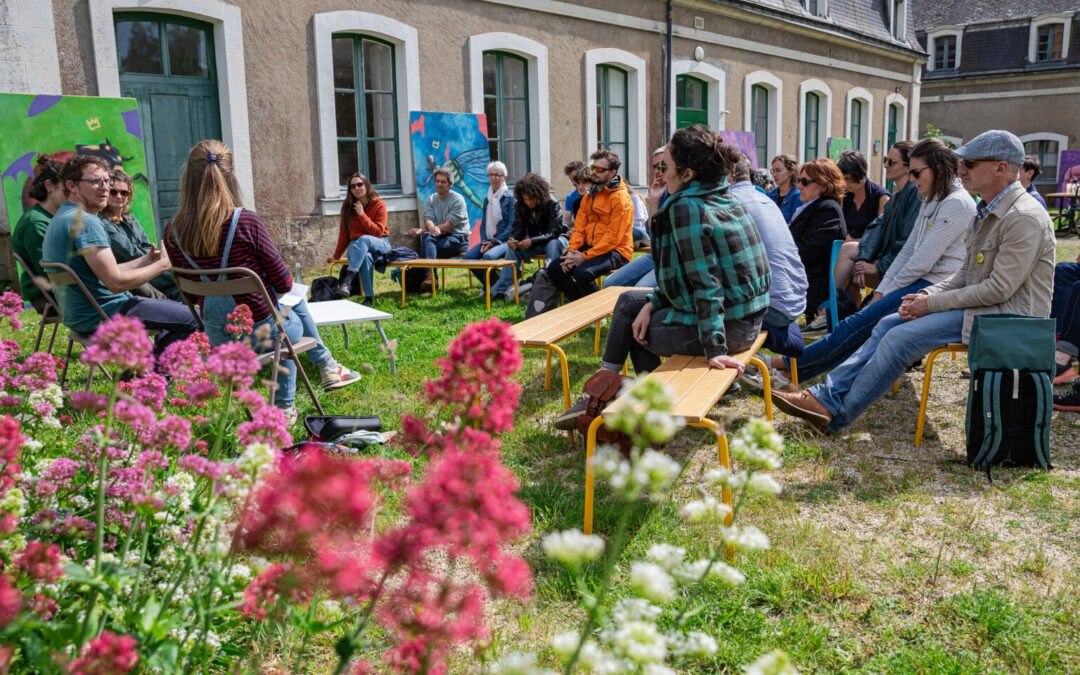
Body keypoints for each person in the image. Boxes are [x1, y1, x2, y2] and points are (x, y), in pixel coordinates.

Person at [773, 130, 1055, 433]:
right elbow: (963, 274)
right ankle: (824, 399)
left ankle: (830, 410)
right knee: (884, 325)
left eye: (970, 164)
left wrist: (929, 301)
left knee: (899, 337)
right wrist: (924, 297)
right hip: (982, 308)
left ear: (1001, 168)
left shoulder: (1021, 216)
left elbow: (999, 289)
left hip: (1004, 319)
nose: (961, 170)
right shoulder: (986, 209)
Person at [555, 127, 770, 429]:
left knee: (633, 327)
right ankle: (616, 389)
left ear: (687, 173)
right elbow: (680, 273)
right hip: (746, 318)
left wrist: (715, 349)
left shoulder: (688, 207)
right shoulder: (720, 195)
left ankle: (611, 399)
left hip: (729, 327)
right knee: (630, 301)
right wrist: (654, 302)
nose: (658, 172)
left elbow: (707, 284)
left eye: (663, 166)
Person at [164, 140, 360, 421]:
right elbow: (282, 283)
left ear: (188, 179)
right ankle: (293, 398)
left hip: (219, 337)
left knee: (287, 308)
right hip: (263, 333)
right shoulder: (246, 222)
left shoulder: (173, 231)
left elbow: (193, 297)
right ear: (230, 177)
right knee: (290, 303)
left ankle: (327, 365)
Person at [761, 138, 976, 386]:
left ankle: (786, 366)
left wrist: (885, 293)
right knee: (858, 326)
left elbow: (921, 261)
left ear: (937, 168)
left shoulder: (956, 203)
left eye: (917, 172)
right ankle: (792, 372)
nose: (913, 179)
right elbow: (908, 252)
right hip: (919, 281)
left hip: (931, 286)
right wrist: (882, 291)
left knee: (858, 326)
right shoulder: (933, 199)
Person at [41, 155, 197, 356]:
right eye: (96, 181)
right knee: (194, 317)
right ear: (72, 186)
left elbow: (102, 273)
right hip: (105, 314)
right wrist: (163, 265)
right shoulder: (87, 222)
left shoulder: (63, 216)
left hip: (81, 316)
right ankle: (155, 377)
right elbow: (115, 282)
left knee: (171, 311)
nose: (104, 187)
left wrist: (145, 260)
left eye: (106, 180)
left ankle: (139, 368)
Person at [728, 157, 808, 368]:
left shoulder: (731, 203)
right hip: (794, 301)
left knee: (698, 310)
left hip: (774, 308)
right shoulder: (764, 199)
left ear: (727, 176)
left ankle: (727, 375)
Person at [540, 149, 633, 307]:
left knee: (582, 273)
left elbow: (613, 238)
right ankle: (583, 307)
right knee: (555, 268)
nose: (594, 173)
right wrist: (572, 250)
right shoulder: (590, 195)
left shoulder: (621, 199)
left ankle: (598, 308)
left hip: (617, 250)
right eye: (593, 167)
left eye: (600, 169)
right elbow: (579, 228)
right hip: (590, 246)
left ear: (612, 173)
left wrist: (584, 257)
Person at [833, 141, 919, 305]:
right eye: (886, 159)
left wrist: (878, 266)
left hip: (900, 267)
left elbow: (908, 240)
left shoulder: (912, 195)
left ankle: (834, 310)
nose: (885, 165)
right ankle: (836, 309)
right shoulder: (896, 197)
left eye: (891, 162)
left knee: (848, 256)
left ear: (908, 167)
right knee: (847, 251)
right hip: (884, 257)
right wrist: (862, 258)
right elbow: (876, 229)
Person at [99, 168, 181, 302]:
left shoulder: (130, 219)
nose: (119, 196)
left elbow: (147, 246)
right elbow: (130, 253)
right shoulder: (103, 223)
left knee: (179, 286)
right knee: (179, 281)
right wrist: (161, 261)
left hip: (148, 267)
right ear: (106, 193)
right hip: (131, 273)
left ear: (128, 196)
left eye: (124, 192)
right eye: (113, 192)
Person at [489, 172, 566, 301]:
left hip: (556, 240)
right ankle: (501, 291)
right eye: (525, 199)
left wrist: (532, 241)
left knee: (553, 244)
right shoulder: (520, 205)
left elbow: (555, 231)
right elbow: (518, 227)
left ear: (539, 194)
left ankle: (550, 285)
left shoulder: (552, 203)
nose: (528, 202)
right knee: (512, 250)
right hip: (535, 242)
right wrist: (514, 239)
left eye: (531, 199)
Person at [789, 158, 846, 326]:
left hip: (811, 283)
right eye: (798, 180)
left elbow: (807, 251)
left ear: (823, 184)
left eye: (804, 181)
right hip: (803, 277)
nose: (799, 186)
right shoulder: (814, 207)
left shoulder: (828, 210)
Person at [605, 147, 669, 289]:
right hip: (655, 254)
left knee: (641, 289)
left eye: (662, 165)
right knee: (609, 283)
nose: (658, 171)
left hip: (672, 258)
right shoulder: (660, 191)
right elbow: (652, 231)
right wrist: (654, 201)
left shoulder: (680, 193)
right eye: (655, 167)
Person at [12, 155, 65, 315]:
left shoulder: (57, 216)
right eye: (68, 189)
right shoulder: (36, 223)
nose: (75, 193)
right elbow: (53, 273)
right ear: (50, 186)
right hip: (49, 298)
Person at [330, 172, 389, 304]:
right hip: (356, 246)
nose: (356, 188)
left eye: (359, 184)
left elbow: (378, 232)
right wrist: (336, 255)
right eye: (353, 186)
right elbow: (344, 234)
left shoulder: (379, 204)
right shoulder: (347, 208)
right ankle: (369, 297)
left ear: (367, 185)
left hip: (380, 243)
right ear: (350, 190)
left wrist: (362, 214)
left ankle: (347, 280)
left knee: (363, 239)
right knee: (365, 256)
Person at [463, 161, 515, 292]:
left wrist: (493, 242)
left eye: (498, 175)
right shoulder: (488, 198)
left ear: (504, 177)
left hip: (505, 240)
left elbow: (511, 225)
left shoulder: (511, 198)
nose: (494, 178)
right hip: (489, 240)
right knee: (468, 258)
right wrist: (485, 241)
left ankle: (492, 287)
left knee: (488, 257)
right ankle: (494, 283)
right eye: (491, 174)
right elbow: (484, 224)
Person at [410, 167, 469, 266]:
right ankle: (430, 277)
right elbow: (428, 219)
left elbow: (447, 226)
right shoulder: (431, 199)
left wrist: (429, 229)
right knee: (428, 240)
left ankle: (430, 278)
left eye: (443, 182)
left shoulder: (458, 200)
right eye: (437, 181)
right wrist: (428, 229)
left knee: (427, 250)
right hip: (441, 237)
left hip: (457, 238)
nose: (439, 184)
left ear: (450, 184)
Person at [837, 150, 889, 239]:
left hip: (868, 248)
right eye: (842, 179)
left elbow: (882, 235)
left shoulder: (881, 197)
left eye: (848, 178)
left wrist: (857, 241)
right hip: (845, 246)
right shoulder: (845, 195)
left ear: (859, 173)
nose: (844, 183)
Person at [767, 154, 801, 223]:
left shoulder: (798, 196)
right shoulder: (770, 194)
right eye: (773, 171)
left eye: (778, 170)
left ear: (791, 171)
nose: (774, 174)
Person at [563, 160, 585, 229]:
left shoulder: (595, 193)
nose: (573, 182)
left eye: (575, 177)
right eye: (571, 179)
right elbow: (567, 221)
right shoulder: (570, 197)